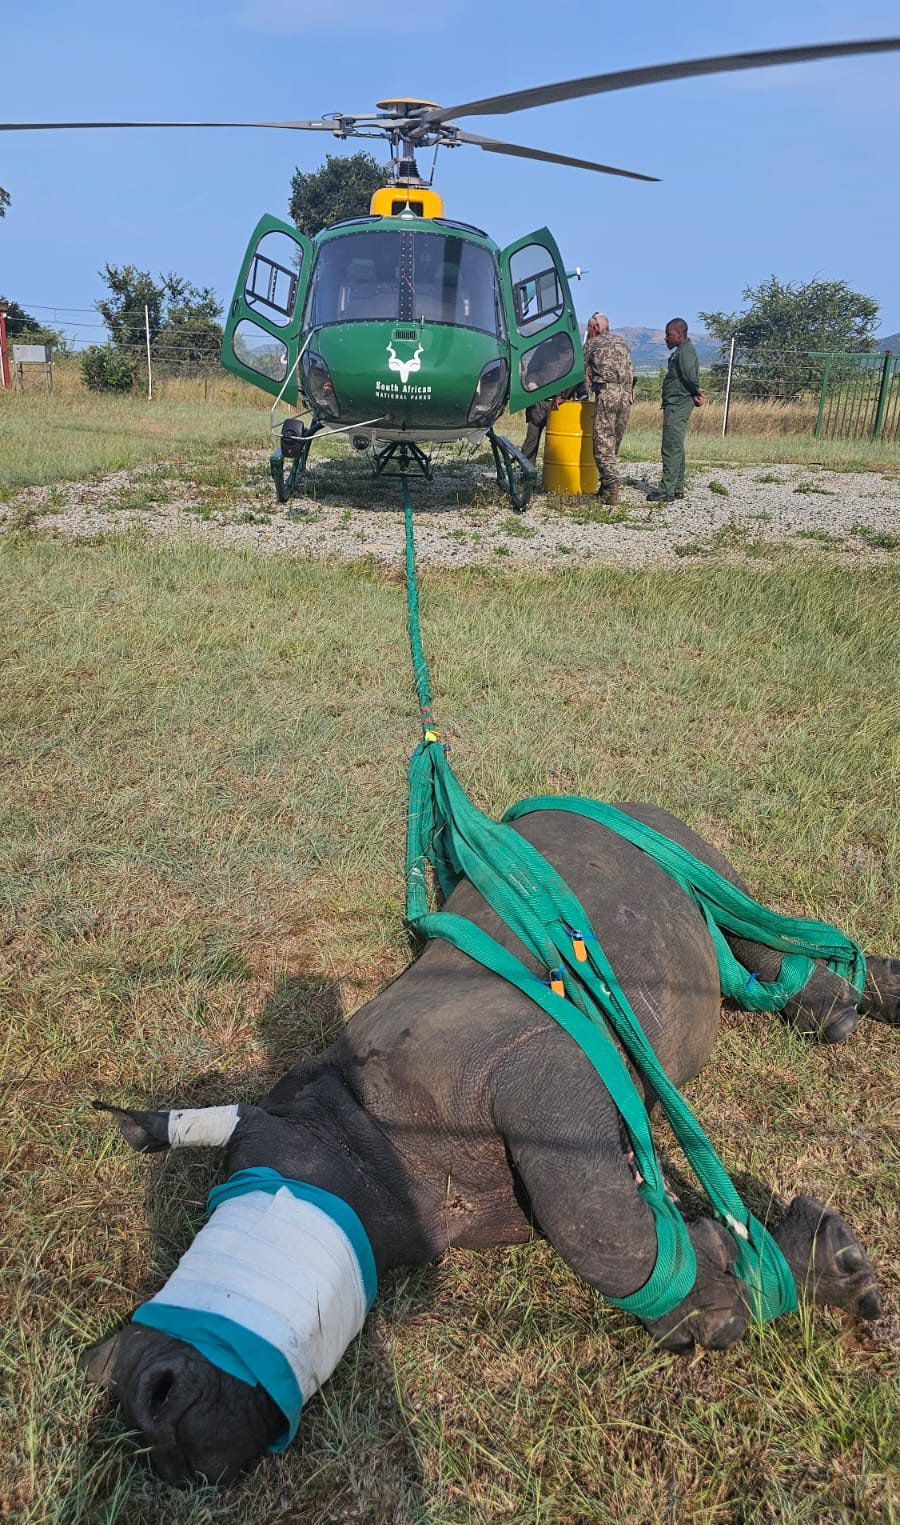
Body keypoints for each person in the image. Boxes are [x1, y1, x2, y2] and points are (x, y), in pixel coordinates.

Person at [647, 318, 706, 503]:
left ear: (679, 335)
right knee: (676, 445)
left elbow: (689, 374)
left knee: (671, 446)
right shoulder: (683, 350)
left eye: (669, 335)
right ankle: (677, 487)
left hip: (678, 403)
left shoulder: (685, 351)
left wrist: (696, 391)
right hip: (677, 402)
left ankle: (666, 490)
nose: (666, 339)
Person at [582, 312, 633, 503]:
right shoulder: (622, 343)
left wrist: (563, 395)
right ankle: (605, 487)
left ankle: (611, 489)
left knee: (602, 443)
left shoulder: (592, 344)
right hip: (627, 395)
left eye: (589, 329)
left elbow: (578, 371)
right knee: (614, 443)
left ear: (595, 328)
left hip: (607, 394)